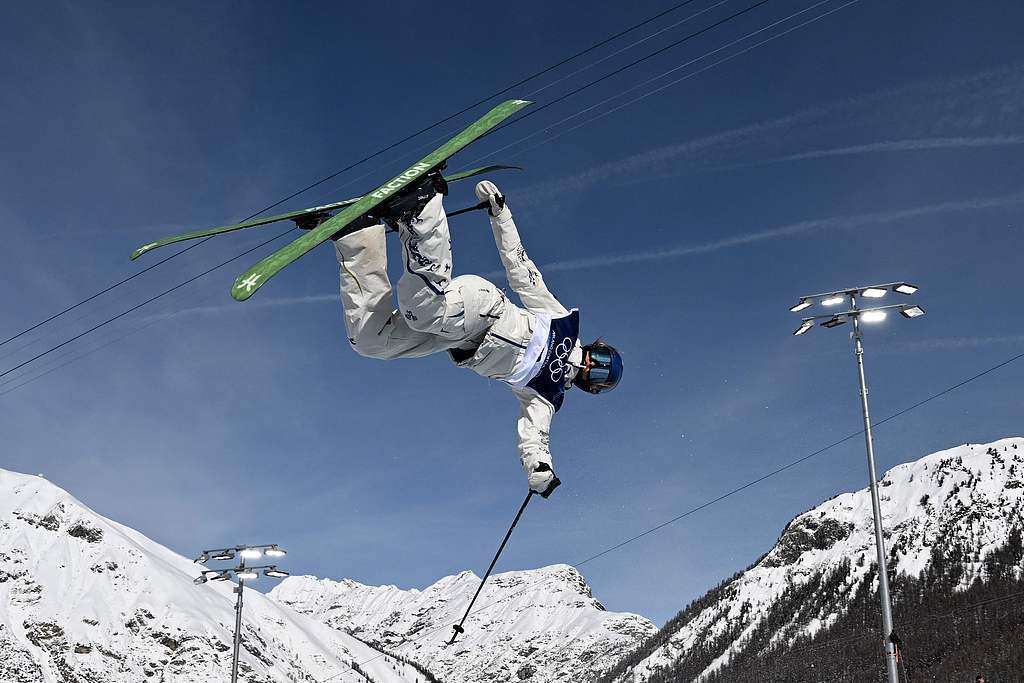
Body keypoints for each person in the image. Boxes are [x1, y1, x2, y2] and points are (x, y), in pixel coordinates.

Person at [322, 170, 622, 498]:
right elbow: (522, 271)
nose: (592, 366)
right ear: (596, 347)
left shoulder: (546, 396)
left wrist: (539, 469)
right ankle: (423, 207)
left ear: (592, 387)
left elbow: (535, 440)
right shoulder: (563, 324)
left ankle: (359, 237)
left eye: (600, 374)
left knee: (371, 341)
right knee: (421, 310)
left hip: (458, 339)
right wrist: (501, 216)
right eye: (601, 358)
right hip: (484, 309)